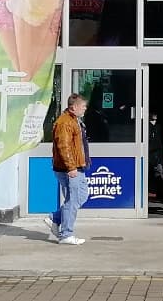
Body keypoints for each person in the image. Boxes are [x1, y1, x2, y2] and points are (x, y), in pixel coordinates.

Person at [45, 93, 91, 245]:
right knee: (73, 200)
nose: (85, 108)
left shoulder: (74, 120)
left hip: (78, 166)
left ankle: (55, 218)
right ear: (74, 107)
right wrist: (71, 167)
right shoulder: (64, 123)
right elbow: (63, 147)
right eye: (83, 106)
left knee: (81, 196)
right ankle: (66, 234)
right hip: (70, 169)